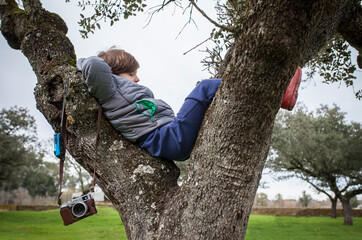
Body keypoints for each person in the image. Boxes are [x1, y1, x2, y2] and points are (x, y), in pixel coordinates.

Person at [77, 48, 301, 161]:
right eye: (131, 73)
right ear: (112, 74)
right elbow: (95, 65)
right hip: (167, 138)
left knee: (207, 96)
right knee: (204, 88)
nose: (137, 79)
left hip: (169, 137)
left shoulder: (117, 90)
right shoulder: (107, 89)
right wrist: (78, 63)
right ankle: (276, 92)